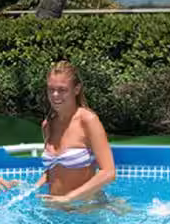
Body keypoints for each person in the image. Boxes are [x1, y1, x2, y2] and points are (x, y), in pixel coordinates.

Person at [37, 61, 116, 205]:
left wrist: (69, 198)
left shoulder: (88, 120)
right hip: (56, 208)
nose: (55, 95)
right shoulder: (48, 125)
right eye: (51, 89)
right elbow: (54, 170)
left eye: (62, 90)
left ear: (76, 89)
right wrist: (33, 188)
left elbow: (108, 172)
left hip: (87, 208)